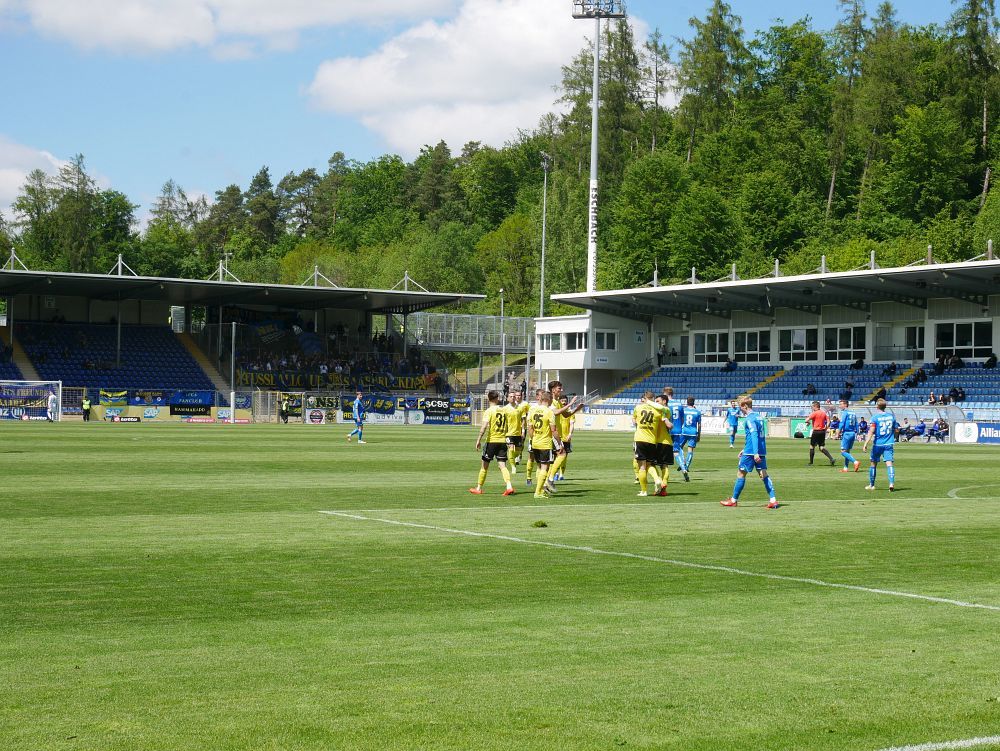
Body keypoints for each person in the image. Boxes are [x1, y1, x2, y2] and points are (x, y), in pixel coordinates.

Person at [721, 396, 778, 509]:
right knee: (763, 474)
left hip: (752, 452)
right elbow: (757, 436)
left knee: (741, 474)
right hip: (760, 450)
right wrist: (746, 449)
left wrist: (754, 452)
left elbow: (754, 435)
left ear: (745, 406)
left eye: (740, 407)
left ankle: (733, 500)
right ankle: (773, 500)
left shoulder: (749, 419)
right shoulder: (759, 417)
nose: (740, 409)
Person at [470, 390, 515, 496]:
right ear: (497, 398)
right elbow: (507, 426)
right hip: (502, 441)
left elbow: (484, 426)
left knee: (484, 466)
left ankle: (479, 488)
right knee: (502, 465)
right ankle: (509, 486)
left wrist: (478, 439)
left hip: (492, 441)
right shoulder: (503, 410)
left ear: (488, 399)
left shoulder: (489, 411)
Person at [547, 380, 582, 491]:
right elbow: (555, 412)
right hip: (551, 433)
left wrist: (576, 409)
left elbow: (565, 414)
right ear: (553, 390)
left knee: (551, 459)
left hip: (556, 434)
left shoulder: (556, 401)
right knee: (561, 454)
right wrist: (570, 404)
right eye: (559, 388)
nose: (561, 390)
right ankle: (550, 479)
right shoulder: (551, 401)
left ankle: (545, 484)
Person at [632, 391, 667, 497]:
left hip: (640, 439)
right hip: (652, 440)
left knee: (642, 466)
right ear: (654, 398)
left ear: (644, 398)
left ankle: (644, 491)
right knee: (650, 464)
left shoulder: (638, 408)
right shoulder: (658, 410)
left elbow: (634, 421)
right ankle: (657, 479)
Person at [527, 391, 560, 499]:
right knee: (545, 467)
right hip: (545, 443)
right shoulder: (549, 412)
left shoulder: (533, 410)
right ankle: (538, 492)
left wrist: (533, 438)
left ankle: (541, 489)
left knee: (539, 467)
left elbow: (530, 429)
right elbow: (553, 430)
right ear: (549, 400)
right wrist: (559, 443)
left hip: (535, 442)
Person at [863, 398, 899, 491]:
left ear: (877, 406)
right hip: (889, 443)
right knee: (889, 463)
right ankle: (891, 483)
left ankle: (872, 485)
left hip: (878, 444)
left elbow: (871, 431)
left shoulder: (875, 418)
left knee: (873, 464)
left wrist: (866, 443)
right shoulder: (891, 416)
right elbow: (896, 429)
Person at [663, 386, 688, 480]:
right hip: (677, 430)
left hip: (668, 430)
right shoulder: (679, 404)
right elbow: (682, 419)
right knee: (676, 451)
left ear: (665, 394)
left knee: (665, 450)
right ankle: (683, 468)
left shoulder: (665, 404)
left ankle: (664, 473)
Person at [503, 390, 528, 474]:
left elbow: (523, 419)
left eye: (514, 396)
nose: (513, 398)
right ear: (507, 398)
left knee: (518, 451)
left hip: (518, 433)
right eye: (511, 397)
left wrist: (523, 430)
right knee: (510, 448)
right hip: (508, 433)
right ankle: (513, 467)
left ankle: (511, 458)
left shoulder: (520, 408)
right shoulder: (505, 409)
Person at [805, 401, 835, 466]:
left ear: (815, 406)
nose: (812, 408)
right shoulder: (824, 413)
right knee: (821, 447)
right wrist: (826, 428)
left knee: (812, 446)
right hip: (822, 431)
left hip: (816, 432)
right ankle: (831, 458)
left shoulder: (814, 413)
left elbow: (806, 420)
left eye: (812, 406)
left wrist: (809, 423)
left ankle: (811, 462)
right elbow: (828, 421)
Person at [678, 396, 702, 475]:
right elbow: (699, 425)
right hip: (693, 432)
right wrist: (699, 435)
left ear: (687, 402)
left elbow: (681, 421)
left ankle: (682, 462)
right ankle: (686, 466)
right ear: (694, 402)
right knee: (690, 450)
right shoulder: (697, 412)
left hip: (684, 431)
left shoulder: (684, 411)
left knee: (679, 448)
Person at [837, 400, 861, 473]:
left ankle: (855, 462)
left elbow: (842, 423)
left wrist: (838, 432)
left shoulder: (845, 413)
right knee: (847, 451)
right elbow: (857, 424)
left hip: (847, 433)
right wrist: (858, 433)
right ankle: (845, 468)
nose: (839, 406)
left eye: (841, 404)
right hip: (853, 433)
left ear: (845, 405)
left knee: (843, 452)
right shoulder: (853, 413)